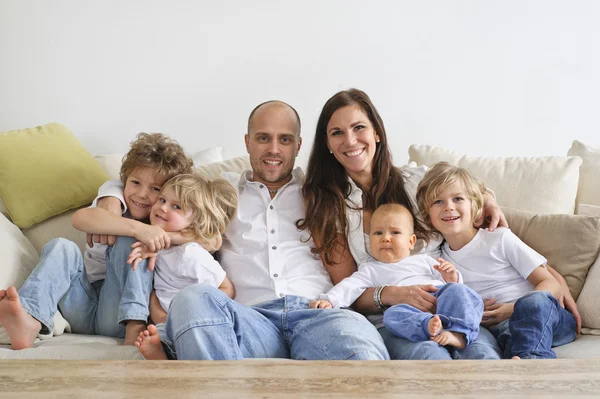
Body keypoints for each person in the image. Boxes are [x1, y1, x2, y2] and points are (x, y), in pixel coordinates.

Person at [143, 100, 390, 360]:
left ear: (298, 145)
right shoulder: (220, 192)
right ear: (248, 142)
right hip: (247, 320)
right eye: (263, 138)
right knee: (192, 298)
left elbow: (347, 276)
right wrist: (116, 203)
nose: (273, 150)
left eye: (284, 140)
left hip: (317, 313)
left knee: (357, 343)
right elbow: (147, 186)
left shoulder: (322, 194)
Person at [300, 88, 507, 360]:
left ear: (377, 133)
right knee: (428, 357)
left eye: (359, 127)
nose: (350, 141)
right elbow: (350, 289)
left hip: (449, 309)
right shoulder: (327, 206)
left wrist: (488, 198)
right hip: (393, 320)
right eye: (337, 132)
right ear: (327, 143)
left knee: (483, 357)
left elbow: (463, 192)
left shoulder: (416, 181)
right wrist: (392, 294)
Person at [0, 133, 193, 349]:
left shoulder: (168, 218)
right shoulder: (113, 200)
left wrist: (156, 235)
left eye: (155, 189)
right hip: (81, 303)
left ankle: (135, 324)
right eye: (135, 182)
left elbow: (208, 236)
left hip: (119, 311)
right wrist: (138, 228)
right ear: (124, 181)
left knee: (129, 242)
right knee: (62, 246)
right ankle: (29, 319)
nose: (141, 194)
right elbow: (80, 219)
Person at [416, 162, 577, 359]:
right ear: (427, 215)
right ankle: (517, 360)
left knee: (532, 303)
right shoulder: (439, 262)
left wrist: (513, 309)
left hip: (544, 318)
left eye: (458, 199)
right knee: (479, 340)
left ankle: (532, 360)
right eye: (438, 202)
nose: (449, 206)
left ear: (476, 208)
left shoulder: (499, 238)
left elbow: (551, 283)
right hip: (499, 330)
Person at [310, 203, 483, 349]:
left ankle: (459, 333)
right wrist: (329, 300)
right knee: (392, 315)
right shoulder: (369, 269)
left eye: (395, 233)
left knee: (462, 293)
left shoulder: (424, 260)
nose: (385, 238)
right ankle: (427, 326)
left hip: (440, 300)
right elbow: (349, 286)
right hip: (410, 311)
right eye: (377, 233)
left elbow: (457, 288)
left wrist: (450, 275)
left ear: (411, 241)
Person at [123, 173, 237, 360]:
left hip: (191, 318)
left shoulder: (190, 254)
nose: (163, 208)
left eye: (176, 206)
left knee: (180, 335)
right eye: (162, 200)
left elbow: (227, 288)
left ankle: (162, 352)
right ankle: (161, 352)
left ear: (195, 222)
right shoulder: (157, 245)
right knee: (158, 334)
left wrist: (196, 314)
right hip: (163, 320)